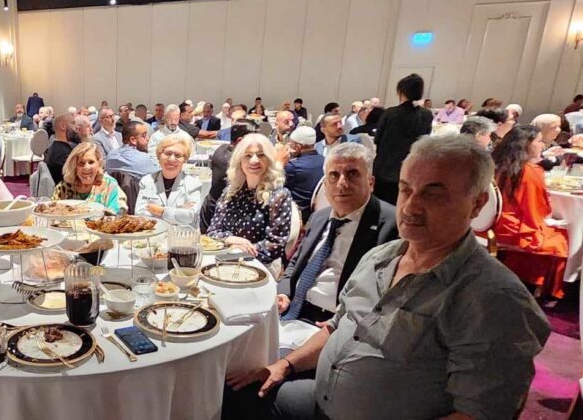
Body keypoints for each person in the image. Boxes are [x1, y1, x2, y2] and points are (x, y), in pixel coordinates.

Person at [227, 135, 549, 420]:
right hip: (322, 401)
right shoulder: (381, 257)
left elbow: (481, 412)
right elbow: (336, 326)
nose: (410, 207)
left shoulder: (494, 298)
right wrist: (285, 365)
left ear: (477, 204)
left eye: (433, 194)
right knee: (229, 396)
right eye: (406, 189)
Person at [277, 143, 398, 325]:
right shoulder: (319, 217)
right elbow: (295, 262)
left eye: (352, 174)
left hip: (341, 322)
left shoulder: (391, 224)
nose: (342, 183)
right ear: (325, 184)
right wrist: (283, 292)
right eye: (334, 175)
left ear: (370, 183)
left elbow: (389, 294)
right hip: (295, 308)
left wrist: (341, 323)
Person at [492, 125, 569, 299]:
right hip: (511, 229)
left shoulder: (494, 163)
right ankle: (537, 286)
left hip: (488, 225)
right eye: (540, 141)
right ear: (526, 144)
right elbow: (537, 211)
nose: (543, 145)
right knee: (560, 237)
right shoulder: (528, 171)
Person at [207, 134, 293, 266]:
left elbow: (275, 244)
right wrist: (231, 240)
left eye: (261, 155)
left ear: (269, 159)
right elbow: (212, 232)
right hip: (224, 258)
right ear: (239, 160)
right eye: (248, 155)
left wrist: (240, 251)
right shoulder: (230, 192)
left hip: (259, 264)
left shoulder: (279, 195)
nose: (254, 160)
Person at [372, 73, 432, 204]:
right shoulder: (426, 115)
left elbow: (377, 140)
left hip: (385, 170)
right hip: (411, 172)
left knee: (381, 207)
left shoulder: (390, 113)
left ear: (401, 92)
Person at [201, 120, 259, 231]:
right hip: (220, 214)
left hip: (211, 206)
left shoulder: (222, 148)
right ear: (240, 141)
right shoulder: (233, 161)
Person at [136, 135, 202, 225]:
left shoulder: (193, 184)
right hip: (154, 232)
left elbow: (191, 216)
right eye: (168, 153)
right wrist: (178, 214)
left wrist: (162, 211)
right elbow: (140, 213)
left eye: (178, 155)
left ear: (184, 160)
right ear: (159, 155)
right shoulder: (147, 181)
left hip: (181, 233)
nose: (172, 159)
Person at [52, 142, 126, 213]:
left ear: (99, 163)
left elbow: (117, 212)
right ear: (74, 166)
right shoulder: (63, 188)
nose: (86, 167)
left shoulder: (109, 185)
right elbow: (51, 212)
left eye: (91, 162)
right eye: (81, 163)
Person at [283, 127, 324, 222]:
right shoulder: (325, 160)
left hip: (297, 216)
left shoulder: (293, 166)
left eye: (291, 145)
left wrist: (279, 161)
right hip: (317, 214)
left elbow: (273, 183)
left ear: (298, 147)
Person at [43, 113, 76, 186]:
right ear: (63, 126)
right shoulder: (62, 154)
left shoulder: (55, 148)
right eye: (73, 123)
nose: (76, 127)